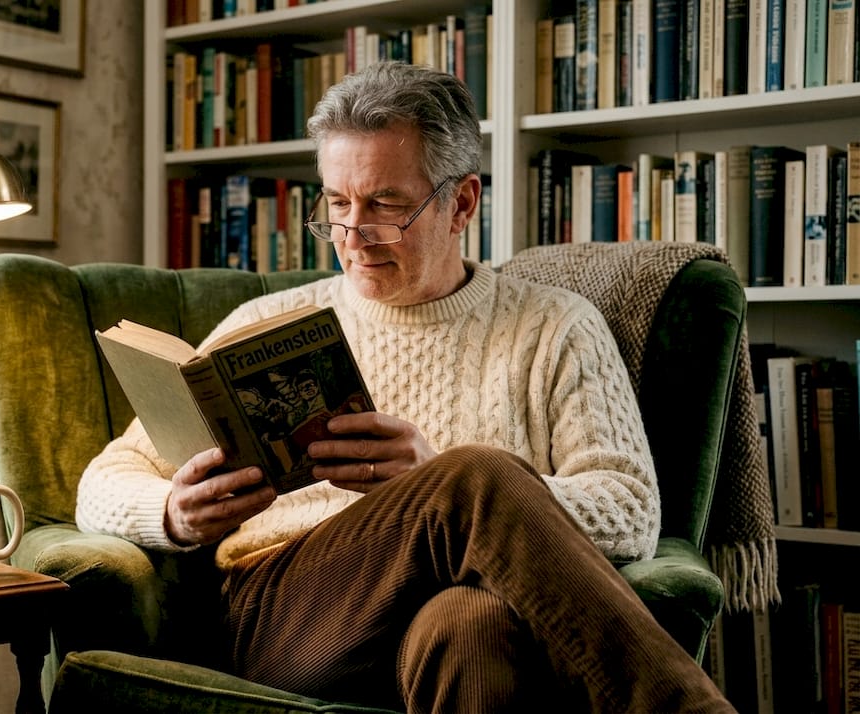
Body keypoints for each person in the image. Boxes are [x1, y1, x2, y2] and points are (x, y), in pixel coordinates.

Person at [76, 62, 733, 713]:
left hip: (449, 619)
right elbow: (101, 484)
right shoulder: (267, 325)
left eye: (385, 204)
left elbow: (629, 513)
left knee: (473, 629)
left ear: (462, 202)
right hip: (284, 618)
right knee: (474, 477)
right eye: (337, 204)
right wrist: (172, 512)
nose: (353, 235)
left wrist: (429, 485)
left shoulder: (555, 328)